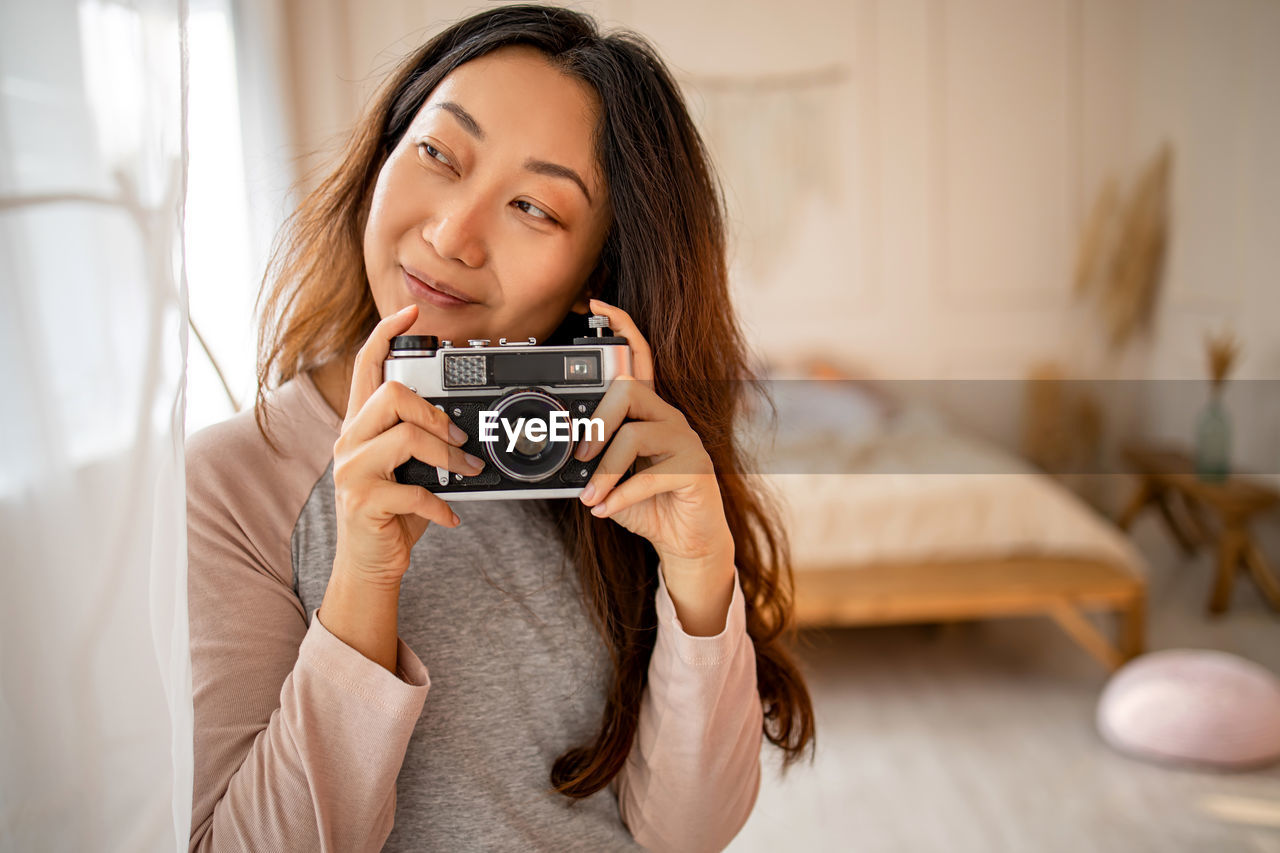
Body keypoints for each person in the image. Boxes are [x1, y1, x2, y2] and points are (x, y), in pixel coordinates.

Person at [186, 6, 814, 851]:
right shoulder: (231, 484)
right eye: (439, 154)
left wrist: (700, 575)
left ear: (599, 268)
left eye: (533, 206)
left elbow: (688, 835)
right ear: (384, 151)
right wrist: (362, 579)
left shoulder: (613, 459)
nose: (452, 234)